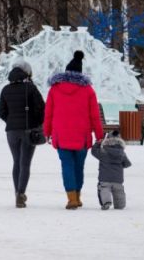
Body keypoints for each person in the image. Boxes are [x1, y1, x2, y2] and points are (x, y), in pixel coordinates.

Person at [43, 50, 104, 210]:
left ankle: (71, 199)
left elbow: (48, 113)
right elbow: (95, 116)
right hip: (82, 136)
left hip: (61, 135)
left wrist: (47, 131)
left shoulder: (55, 89)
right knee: (79, 166)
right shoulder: (88, 90)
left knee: (67, 166)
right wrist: (99, 135)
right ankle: (77, 196)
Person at [0, 59, 45, 208]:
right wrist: (37, 123)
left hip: (11, 132)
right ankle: (20, 193)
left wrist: (11, 122)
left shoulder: (5, 89)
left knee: (16, 161)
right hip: (28, 130)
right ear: (27, 72)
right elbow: (41, 109)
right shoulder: (30, 88)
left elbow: (1, 112)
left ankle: (17, 193)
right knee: (25, 163)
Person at [91, 130, 131, 210]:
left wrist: (98, 143)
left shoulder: (103, 152)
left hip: (104, 177)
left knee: (104, 189)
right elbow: (127, 164)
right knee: (118, 191)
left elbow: (94, 151)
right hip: (118, 179)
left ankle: (106, 202)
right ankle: (120, 204)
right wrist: (121, 164)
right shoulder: (121, 153)